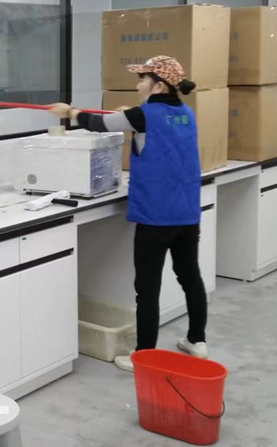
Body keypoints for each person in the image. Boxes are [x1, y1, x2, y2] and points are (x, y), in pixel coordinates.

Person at [50, 55, 208, 373]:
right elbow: (149, 128)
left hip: (155, 217)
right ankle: (197, 340)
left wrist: (70, 112)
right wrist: (130, 117)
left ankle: (144, 355)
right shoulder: (186, 114)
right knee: (190, 276)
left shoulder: (144, 115)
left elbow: (97, 124)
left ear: (158, 86)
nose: (138, 85)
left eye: (142, 79)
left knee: (147, 288)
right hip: (187, 213)